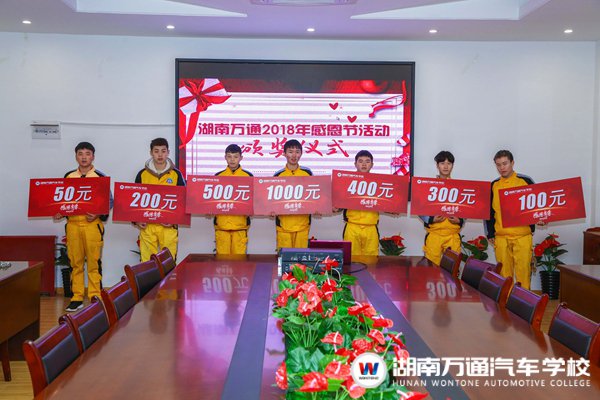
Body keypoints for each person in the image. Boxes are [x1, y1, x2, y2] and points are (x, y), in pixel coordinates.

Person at [54, 142, 110, 312]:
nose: (84, 157)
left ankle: (95, 297)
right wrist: (60, 212)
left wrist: (98, 214)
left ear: (93, 156)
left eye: (87, 154)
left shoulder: (100, 177)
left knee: (94, 263)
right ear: (76, 156)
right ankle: (76, 297)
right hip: (73, 226)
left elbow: (109, 201)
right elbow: (63, 200)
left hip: (92, 226)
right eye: (80, 154)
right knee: (75, 263)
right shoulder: (69, 176)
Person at [485, 150, 535, 289]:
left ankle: (524, 302)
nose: (502, 167)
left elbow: (536, 205)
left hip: (522, 236)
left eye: (505, 163)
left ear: (512, 163)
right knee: (504, 276)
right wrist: (490, 233)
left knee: (523, 274)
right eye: (498, 165)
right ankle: (505, 301)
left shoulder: (525, 181)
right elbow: (489, 212)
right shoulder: (494, 185)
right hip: (501, 237)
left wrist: (540, 219)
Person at [134, 138, 185, 262]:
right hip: (147, 226)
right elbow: (134, 200)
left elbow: (183, 200)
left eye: (163, 151)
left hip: (168, 226)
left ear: (168, 152)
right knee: (147, 264)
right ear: (151, 153)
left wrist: (174, 220)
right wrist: (137, 220)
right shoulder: (142, 174)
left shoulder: (176, 174)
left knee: (168, 263)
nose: (160, 155)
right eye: (156, 151)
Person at [420, 151, 464, 265]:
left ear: (452, 166)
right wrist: (431, 219)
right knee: (431, 270)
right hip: (434, 235)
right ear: (437, 165)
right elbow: (420, 208)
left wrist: (460, 220)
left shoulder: (459, 187)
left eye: (449, 163)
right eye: (442, 163)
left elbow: (466, 208)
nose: (445, 166)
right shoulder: (428, 186)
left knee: (452, 270)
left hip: (452, 235)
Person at [273, 139, 313, 250]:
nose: (294, 155)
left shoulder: (308, 173)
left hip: (303, 225)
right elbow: (272, 201)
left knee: (301, 258)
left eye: (297, 152)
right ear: (284, 153)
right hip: (283, 227)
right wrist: (270, 210)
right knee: (284, 258)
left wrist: (318, 207)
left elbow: (314, 197)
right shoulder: (278, 175)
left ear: (301, 153)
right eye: (290, 152)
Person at [214, 144, 253, 254]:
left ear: (241, 158)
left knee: (239, 261)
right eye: (229, 156)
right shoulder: (217, 176)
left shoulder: (248, 176)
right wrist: (208, 209)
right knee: (222, 261)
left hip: (240, 226)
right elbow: (211, 201)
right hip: (222, 226)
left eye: (235, 157)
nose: (232, 160)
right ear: (225, 157)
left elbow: (255, 200)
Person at [342, 150, 380, 256]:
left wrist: (393, 209)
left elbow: (383, 203)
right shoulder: (346, 181)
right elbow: (340, 203)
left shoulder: (379, 182)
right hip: (352, 227)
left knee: (371, 260)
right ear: (355, 164)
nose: (364, 164)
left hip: (371, 227)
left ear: (372, 165)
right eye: (360, 161)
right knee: (351, 259)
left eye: (367, 161)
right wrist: (334, 208)